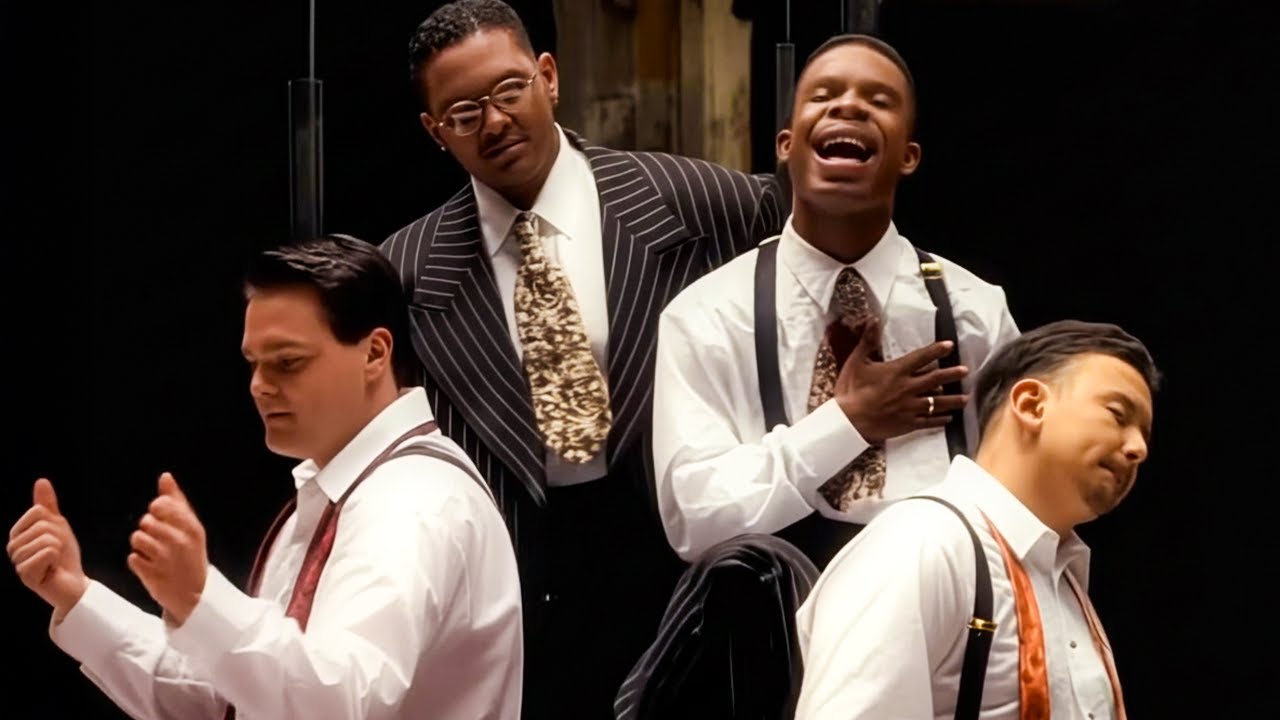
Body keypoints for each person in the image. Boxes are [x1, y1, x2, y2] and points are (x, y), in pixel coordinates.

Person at [379, 1, 786, 716]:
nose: (495, 121)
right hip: (518, 589)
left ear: (548, 76)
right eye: (464, 113)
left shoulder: (702, 204)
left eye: (510, 90)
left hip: (680, 566)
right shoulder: (406, 272)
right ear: (434, 131)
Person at [6, 235, 523, 720]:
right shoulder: (349, 487)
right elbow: (234, 700)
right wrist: (78, 597)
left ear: (374, 353)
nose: (259, 386)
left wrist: (201, 598)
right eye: (253, 364)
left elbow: (337, 701)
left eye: (287, 363)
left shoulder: (411, 501)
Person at [652, 34, 1020, 570]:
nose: (848, 106)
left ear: (909, 156)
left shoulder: (975, 312)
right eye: (824, 95)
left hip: (949, 606)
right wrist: (846, 424)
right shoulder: (707, 316)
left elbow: (1020, 500)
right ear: (786, 145)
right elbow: (695, 520)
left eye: (878, 100)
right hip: (780, 610)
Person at [795, 319, 1158, 719]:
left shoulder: (1062, 578)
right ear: (1031, 405)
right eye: (1118, 414)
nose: (1138, 448)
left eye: (1144, 434)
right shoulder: (923, 541)